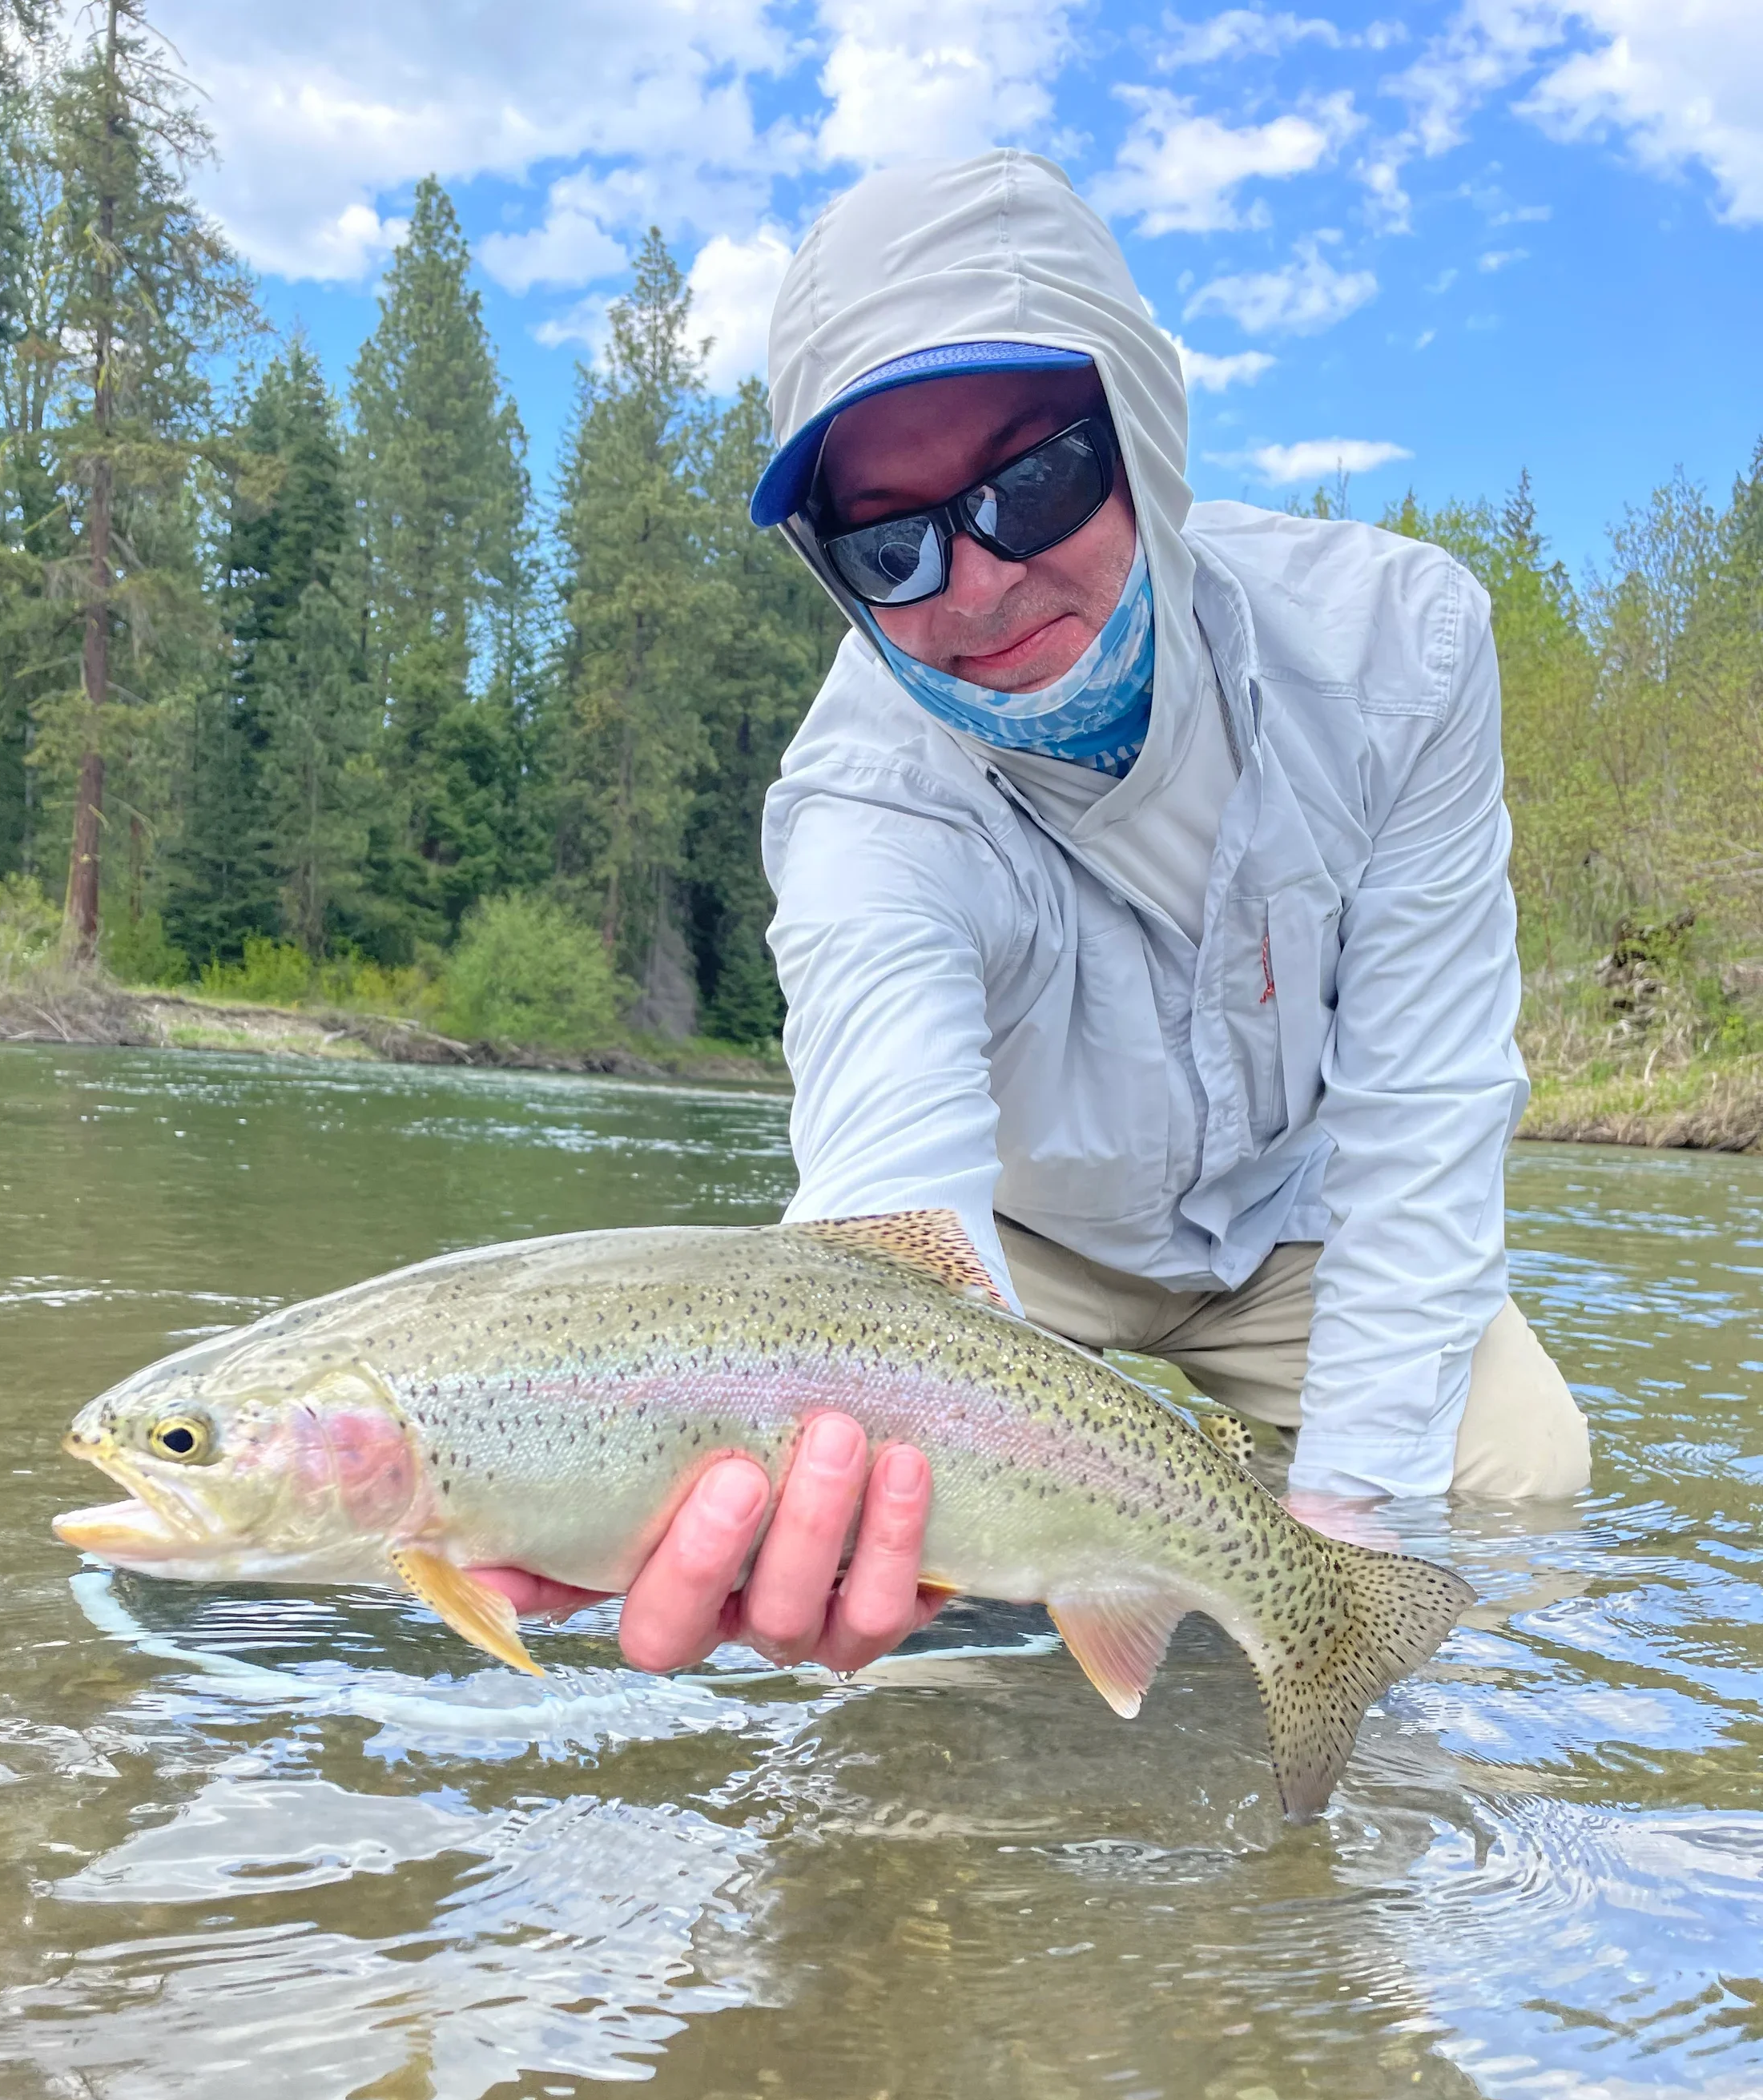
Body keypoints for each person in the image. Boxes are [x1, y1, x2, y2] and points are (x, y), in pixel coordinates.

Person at [477, 149, 1589, 1679]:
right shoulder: (861, 808)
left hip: (1292, 1228)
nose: (980, 584)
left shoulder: (1401, 650)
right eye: (892, 545)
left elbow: (1425, 1116)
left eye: (1037, 480)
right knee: (909, 1610)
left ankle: (1378, 1793)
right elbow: (884, 1219)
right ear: (840, 580)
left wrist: (1337, 1528)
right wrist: (861, 1506)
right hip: (1005, 1255)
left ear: (1143, 423)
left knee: (1517, 1479)